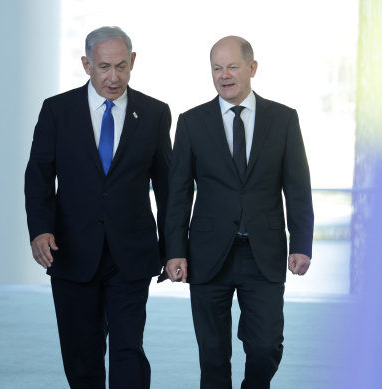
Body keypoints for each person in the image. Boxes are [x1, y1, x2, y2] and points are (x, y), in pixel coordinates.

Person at [24, 26, 171, 388]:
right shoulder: (57, 111)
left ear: (133, 62)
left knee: (128, 350)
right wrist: (41, 229)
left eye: (122, 66)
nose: (114, 77)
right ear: (86, 64)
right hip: (71, 251)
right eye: (104, 67)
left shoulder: (154, 113)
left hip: (131, 255)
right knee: (81, 353)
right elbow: (39, 176)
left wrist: (172, 249)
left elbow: (169, 189)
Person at [164, 36, 314, 388]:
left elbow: (297, 188)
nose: (224, 75)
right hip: (207, 254)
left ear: (252, 68)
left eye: (232, 66)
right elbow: (179, 194)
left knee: (264, 346)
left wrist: (301, 244)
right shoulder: (191, 122)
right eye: (217, 68)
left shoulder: (283, 119)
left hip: (263, 253)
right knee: (213, 355)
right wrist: (174, 252)